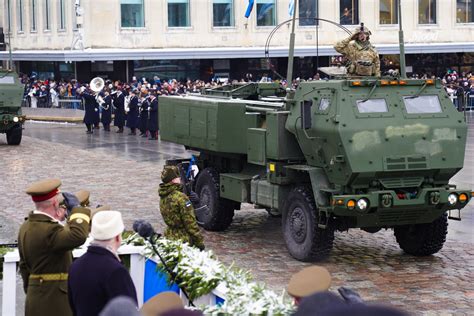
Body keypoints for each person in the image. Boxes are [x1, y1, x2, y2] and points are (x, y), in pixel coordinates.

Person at [18, 179, 91, 316]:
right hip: (54, 301)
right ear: (55, 202)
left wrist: (35, 289)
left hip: (35, 298)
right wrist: (78, 210)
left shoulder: (25, 227)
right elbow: (78, 235)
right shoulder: (49, 229)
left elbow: (24, 267)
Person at [68, 211, 138, 316]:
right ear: (118, 238)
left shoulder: (76, 266)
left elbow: (73, 307)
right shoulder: (115, 270)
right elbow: (128, 309)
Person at [158, 165, 205, 250]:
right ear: (173, 180)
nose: (180, 178)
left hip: (169, 237)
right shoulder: (181, 198)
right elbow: (191, 224)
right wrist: (199, 243)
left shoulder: (163, 195)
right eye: (177, 176)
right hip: (183, 241)